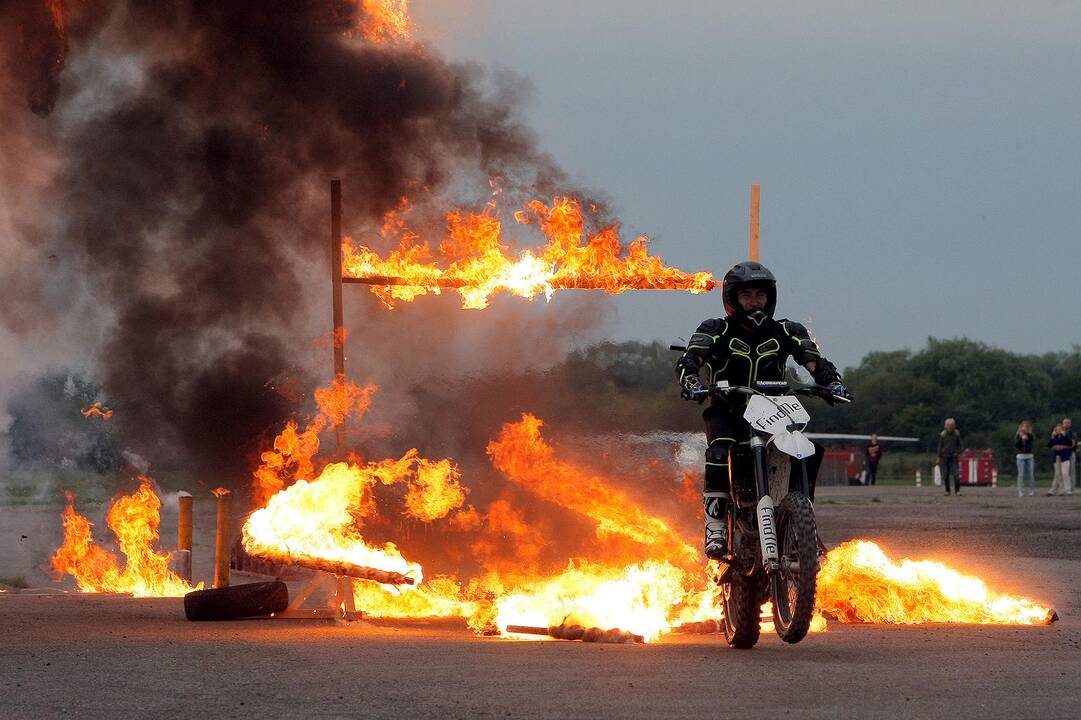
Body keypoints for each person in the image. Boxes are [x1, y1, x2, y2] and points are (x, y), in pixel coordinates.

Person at [675, 261, 852, 558]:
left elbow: (813, 361)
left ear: (770, 298)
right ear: (733, 298)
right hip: (728, 411)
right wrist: (692, 382)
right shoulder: (715, 329)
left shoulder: (787, 330)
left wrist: (832, 383)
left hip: (774, 411)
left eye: (760, 295)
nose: (754, 301)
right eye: (747, 295)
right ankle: (715, 525)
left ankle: (802, 523)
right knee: (719, 450)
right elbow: (690, 360)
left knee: (808, 450)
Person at [1047, 419, 1076, 496]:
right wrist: (1052, 437)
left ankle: (1068, 490)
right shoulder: (1055, 436)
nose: (1058, 430)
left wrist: (1063, 438)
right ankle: (1061, 490)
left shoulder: (1069, 434)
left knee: (1066, 473)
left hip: (1066, 456)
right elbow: (1050, 445)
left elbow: (1071, 444)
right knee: (1058, 474)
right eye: (1057, 429)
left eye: (1060, 429)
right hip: (1057, 457)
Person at [936, 418, 961, 496]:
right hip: (944, 457)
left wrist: (958, 452)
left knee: (956, 474)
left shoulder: (956, 434)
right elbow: (940, 446)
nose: (949, 427)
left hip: (953, 457)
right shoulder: (943, 434)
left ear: (953, 426)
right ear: (945, 426)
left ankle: (957, 491)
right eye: (948, 425)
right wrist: (938, 457)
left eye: (951, 425)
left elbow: (959, 445)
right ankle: (947, 490)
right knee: (945, 474)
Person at [1014, 421, 1035, 497]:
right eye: (1023, 427)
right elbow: (1016, 445)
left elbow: (1032, 440)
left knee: (1030, 474)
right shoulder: (1017, 436)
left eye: (1026, 427)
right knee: (1021, 474)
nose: (1024, 428)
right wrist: (1020, 438)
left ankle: (1032, 490)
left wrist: (1027, 434)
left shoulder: (1031, 435)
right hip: (1020, 457)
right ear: (1020, 427)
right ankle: (1020, 491)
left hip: (1029, 456)